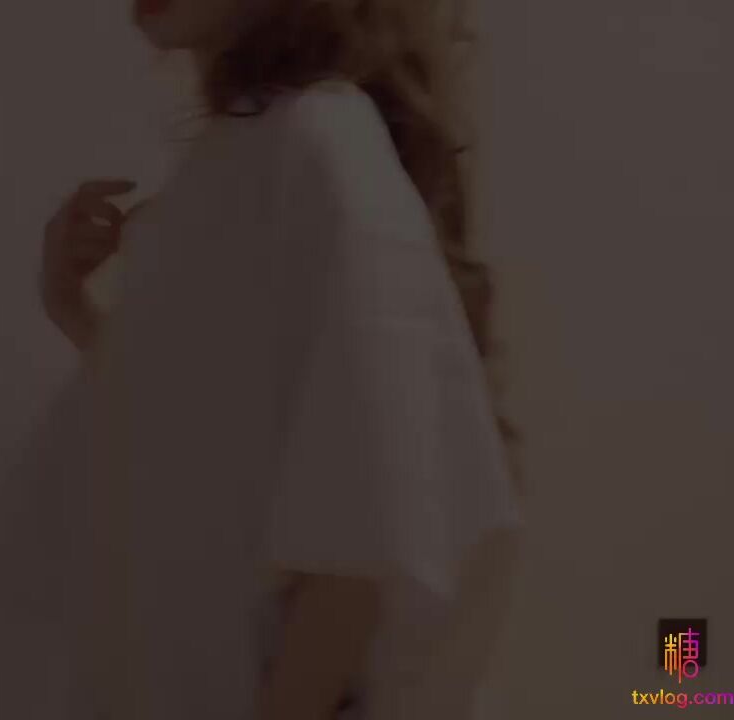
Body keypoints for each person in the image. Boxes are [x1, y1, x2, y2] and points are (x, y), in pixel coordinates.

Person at [40, 1, 524, 718]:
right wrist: (72, 311)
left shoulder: (318, 139)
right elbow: (212, 450)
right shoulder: (247, 153)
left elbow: (368, 522)